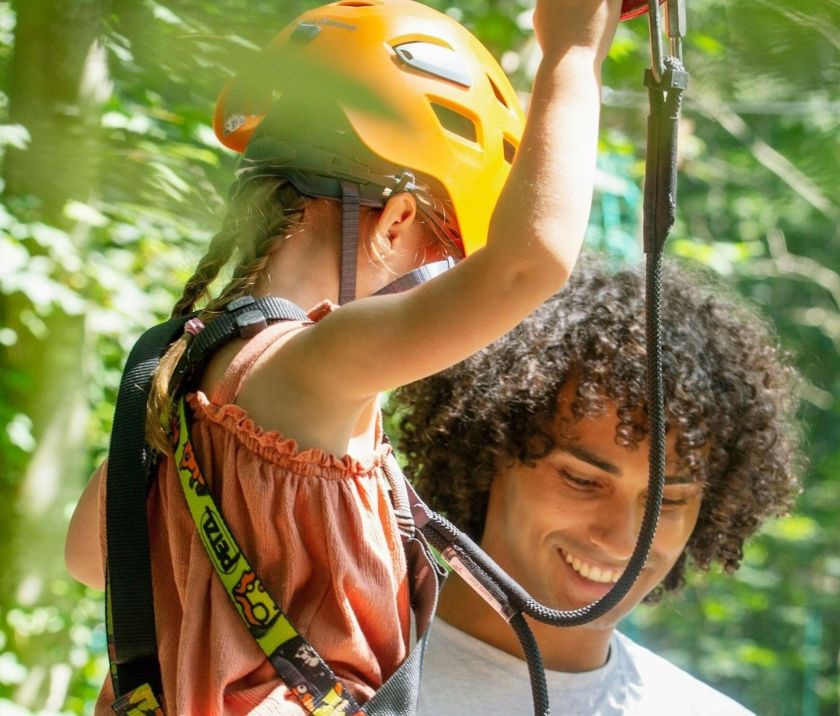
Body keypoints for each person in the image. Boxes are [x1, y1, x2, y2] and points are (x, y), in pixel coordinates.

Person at [64, 0, 624, 713]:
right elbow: (528, 265)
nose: (439, 285)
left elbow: (89, 559)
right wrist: (574, 48)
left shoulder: (179, 369)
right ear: (394, 222)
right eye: (442, 255)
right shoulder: (317, 364)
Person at [392, 253, 803, 715]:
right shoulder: (352, 684)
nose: (622, 538)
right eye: (582, 480)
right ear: (487, 451)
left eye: (668, 501)